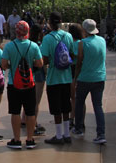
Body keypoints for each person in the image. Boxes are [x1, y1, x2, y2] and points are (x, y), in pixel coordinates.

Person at [1, 21, 43, 149]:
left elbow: (3, 65)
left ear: (16, 31)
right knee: (30, 112)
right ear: (27, 31)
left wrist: (12, 66)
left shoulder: (9, 46)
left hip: (14, 84)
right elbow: (40, 63)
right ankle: (30, 140)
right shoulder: (34, 46)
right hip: (29, 84)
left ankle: (17, 139)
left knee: (15, 112)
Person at [40, 11, 75, 145]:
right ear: (61, 22)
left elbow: (45, 59)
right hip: (66, 77)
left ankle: (59, 136)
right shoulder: (68, 36)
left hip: (53, 78)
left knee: (56, 108)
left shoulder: (47, 39)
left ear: (49, 23)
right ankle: (67, 134)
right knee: (66, 106)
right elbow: (72, 53)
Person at [72, 19, 107, 144]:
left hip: (85, 78)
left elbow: (79, 62)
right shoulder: (102, 41)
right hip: (100, 77)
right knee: (98, 106)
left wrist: (75, 78)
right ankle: (101, 134)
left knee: (79, 103)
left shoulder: (82, 43)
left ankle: (78, 128)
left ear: (85, 30)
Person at [68, 23, 84, 128]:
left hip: (72, 70)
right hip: (81, 71)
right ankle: (81, 120)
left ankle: (71, 118)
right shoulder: (81, 43)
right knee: (80, 98)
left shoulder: (70, 43)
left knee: (72, 97)